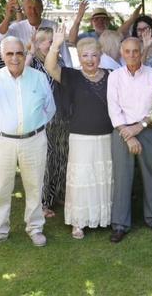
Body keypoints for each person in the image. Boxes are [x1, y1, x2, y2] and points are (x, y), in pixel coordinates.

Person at [0, 36, 56, 249]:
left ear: (25, 54)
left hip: (34, 141)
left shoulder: (38, 78)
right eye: (9, 53)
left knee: (34, 187)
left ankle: (35, 228)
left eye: (19, 53)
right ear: (2, 55)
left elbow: (49, 108)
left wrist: (34, 126)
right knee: (2, 187)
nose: (15, 58)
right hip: (2, 142)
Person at [44, 32, 114, 240]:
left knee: (103, 177)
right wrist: (56, 45)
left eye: (93, 55)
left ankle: (103, 218)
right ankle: (79, 222)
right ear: (79, 57)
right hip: (80, 138)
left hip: (106, 137)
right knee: (82, 178)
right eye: (85, 56)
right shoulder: (72, 76)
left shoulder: (111, 75)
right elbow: (50, 67)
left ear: (100, 56)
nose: (89, 60)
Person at [107, 37, 152, 241]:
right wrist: (128, 133)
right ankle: (120, 224)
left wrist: (139, 127)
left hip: (147, 129)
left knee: (150, 174)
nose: (132, 55)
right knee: (122, 176)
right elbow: (114, 108)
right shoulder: (114, 76)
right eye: (128, 51)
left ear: (141, 51)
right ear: (122, 53)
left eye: (135, 51)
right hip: (122, 131)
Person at [27, 27, 68, 218]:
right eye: (46, 41)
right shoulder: (33, 63)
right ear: (37, 44)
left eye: (53, 41)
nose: (51, 44)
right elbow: (22, 74)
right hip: (42, 119)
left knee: (61, 156)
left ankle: (57, 194)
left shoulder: (58, 61)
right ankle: (42, 202)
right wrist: (29, 52)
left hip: (60, 116)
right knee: (45, 160)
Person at [0, 0, 71, 66]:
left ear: (41, 9)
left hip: (50, 71)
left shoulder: (53, 26)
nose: (33, 11)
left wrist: (70, 73)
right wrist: (8, 17)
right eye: (29, 7)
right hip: (26, 72)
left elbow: (64, 52)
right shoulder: (18, 27)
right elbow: (0, 36)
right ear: (24, 10)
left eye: (36, 7)